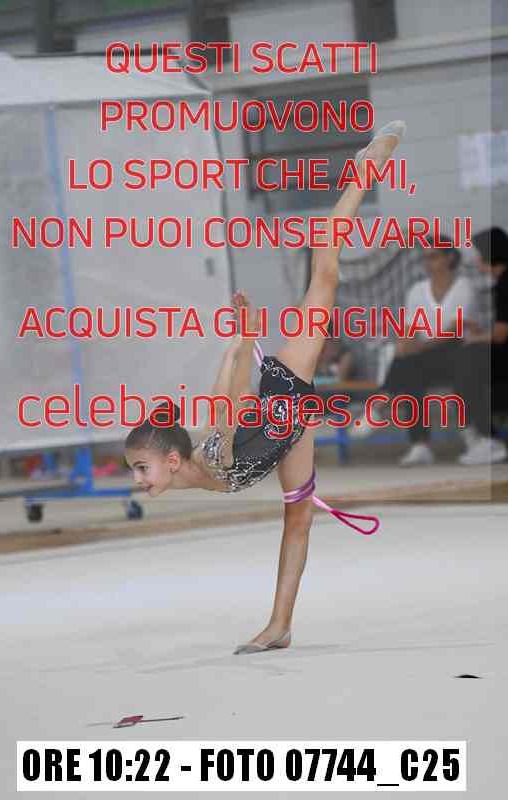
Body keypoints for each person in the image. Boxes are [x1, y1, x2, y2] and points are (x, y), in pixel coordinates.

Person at [124, 121, 406, 654]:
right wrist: (236, 345)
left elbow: (230, 403)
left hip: (286, 390)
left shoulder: (212, 455)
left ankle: (367, 167)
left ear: (173, 461)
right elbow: (221, 397)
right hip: (287, 434)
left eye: (141, 467)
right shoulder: (198, 449)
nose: (137, 479)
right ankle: (280, 626)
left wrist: (245, 341)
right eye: (136, 469)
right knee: (297, 519)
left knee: (325, 268)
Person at [351, 237, 479, 466]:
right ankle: (420, 447)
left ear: (450, 257)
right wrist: (404, 344)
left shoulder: (464, 286)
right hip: (425, 360)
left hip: (459, 357)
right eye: (425, 258)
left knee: (411, 362)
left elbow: (454, 331)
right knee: (409, 372)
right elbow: (410, 329)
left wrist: (415, 349)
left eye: (433, 257)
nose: (428, 262)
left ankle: (378, 407)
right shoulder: (417, 291)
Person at [451, 227, 508, 465]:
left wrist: (475, 338)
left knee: (465, 365)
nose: (476, 260)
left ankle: (486, 438)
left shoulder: (504, 284)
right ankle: (485, 437)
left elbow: (501, 335)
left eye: (479, 254)